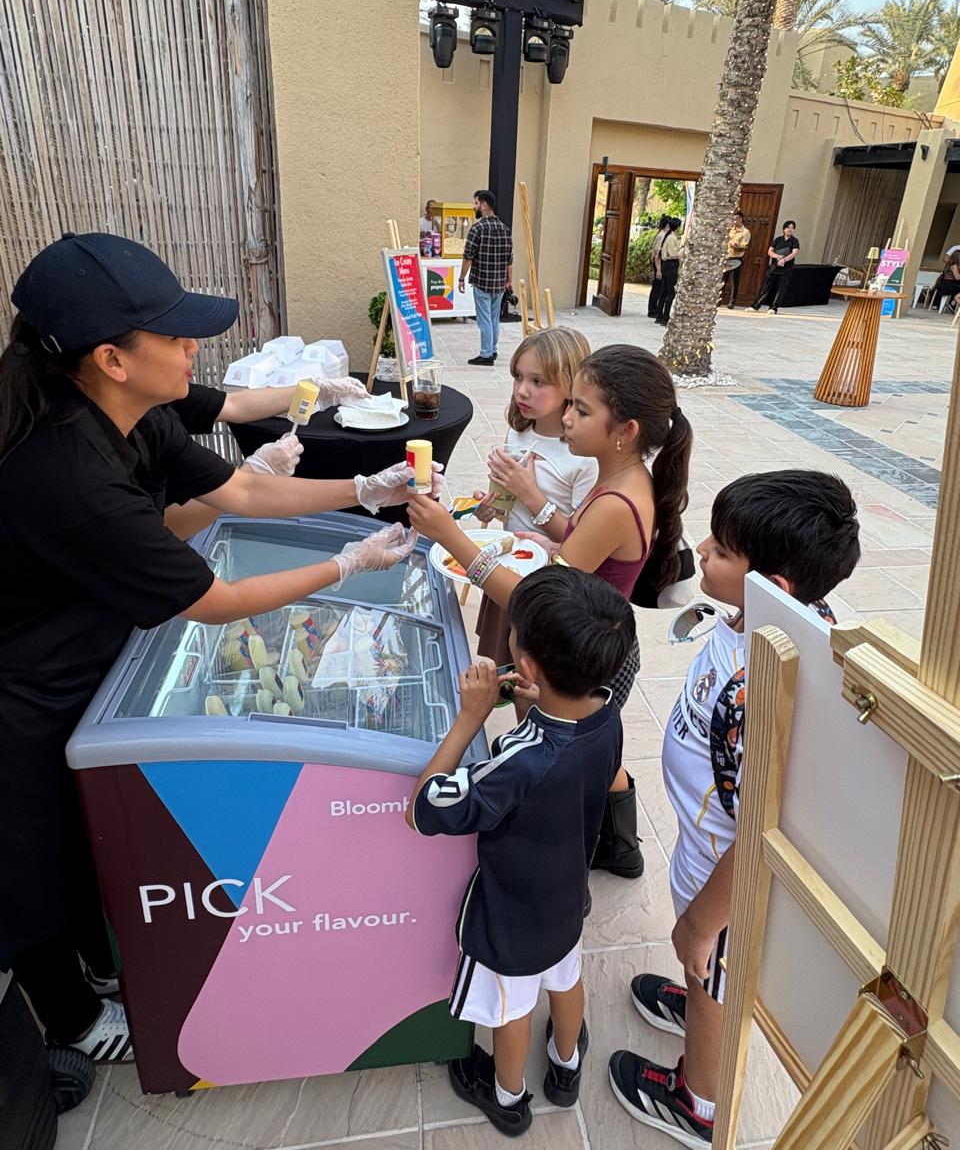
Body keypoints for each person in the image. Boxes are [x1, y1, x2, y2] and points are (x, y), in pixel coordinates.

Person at [0, 232, 436, 1065]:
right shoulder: (66, 469)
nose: (194, 347)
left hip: (87, 649)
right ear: (111, 358)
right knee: (34, 861)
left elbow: (236, 485)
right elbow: (214, 600)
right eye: (174, 335)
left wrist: (364, 489)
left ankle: (103, 964)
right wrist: (343, 562)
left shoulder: (134, 411)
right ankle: (72, 1020)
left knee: (83, 840)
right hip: (23, 688)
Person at [608, 470, 861, 1146]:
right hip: (704, 853)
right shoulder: (760, 624)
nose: (702, 552)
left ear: (772, 588)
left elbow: (762, 835)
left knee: (715, 972)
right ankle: (697, 988)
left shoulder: (769, 691)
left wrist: (699, 924)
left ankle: (698, 1103)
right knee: (706, 972)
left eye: (720, 550)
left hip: (730, 884)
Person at [408, 344, 693, 879]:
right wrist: (541, 523)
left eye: (582, 410)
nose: (566, 417)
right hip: (592, 637)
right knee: (595, 745)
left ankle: (574, 842)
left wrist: (450, 536)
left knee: (564, 750)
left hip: (584, 649)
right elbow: (582, 541)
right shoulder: (617, 480)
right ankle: (621, 847)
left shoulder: (617, 499)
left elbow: (532, 603)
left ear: (625, 430)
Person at [406, 568, 635, 1136]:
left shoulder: (523, 757)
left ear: (528, 665)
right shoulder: (606, 713)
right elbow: (569, 748)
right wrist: (535, 702)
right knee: (565, 976)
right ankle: (565, 1064)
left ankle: (507, 1097)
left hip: (511, 914)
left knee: (509, 1009)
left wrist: (470, 716)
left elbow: (425, 810)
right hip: (565, 896)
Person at [471, 327, 598, 681]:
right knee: (507, 663)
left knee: (537, 673)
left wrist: (531, 495)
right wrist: (491, 507)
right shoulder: (519, 432)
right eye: (518, 377)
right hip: (510, 568)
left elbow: (577, 541)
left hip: (548, 583)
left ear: (572, 385)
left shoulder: (583, 456)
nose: (523, 390)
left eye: (539, 381)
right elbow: (508, 510)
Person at [168, 377, 371, 479]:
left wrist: (315, 389)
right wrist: (252, 474)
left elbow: (233, 404)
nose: (192, 347)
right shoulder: (148, 429)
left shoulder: (170, 398)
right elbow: (168, 522)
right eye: (173, 339)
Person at [459, 189, 513, 366]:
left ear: (483, 205)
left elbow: (468, 256)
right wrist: (508, 280)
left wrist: (461, 278)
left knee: (484, 320)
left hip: (482, 281)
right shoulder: (505, 229)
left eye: (476, 203)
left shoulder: (477, 229)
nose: (474, 206)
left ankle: (486, 354)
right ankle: (493, 349)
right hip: (498, 283)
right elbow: (509, 259)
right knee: (493, 318)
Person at [751, 220, 799, 312]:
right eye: (788, 228)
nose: (790, 230)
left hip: (786, 269)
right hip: (774, 267)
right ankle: (755, 305)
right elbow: (770, 251)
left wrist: (784, 260)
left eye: (792, 228)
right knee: (766, 287)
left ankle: (773, 308)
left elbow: (794, 253)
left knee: (780, 289)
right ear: (784, 229)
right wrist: (777, 257)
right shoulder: (778, 239)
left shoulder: (794, 241)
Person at [654, 218, 682, 325]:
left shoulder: (668, 237)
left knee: (664, 291)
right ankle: (665, 317)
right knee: (670, 292)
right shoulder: (672, 238)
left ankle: (659, 315)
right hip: (671, 265)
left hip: (666, 265)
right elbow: (673, 254)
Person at [723, 211, 751, 308]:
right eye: (733, 219)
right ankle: (719, 300)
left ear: (741, 219)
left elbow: (745, 245)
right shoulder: (730, 229)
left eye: (736, 219)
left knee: (734, 281)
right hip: (726, 257)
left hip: (736, 258)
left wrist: (737, 245)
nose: (734, 221)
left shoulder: (745, 232)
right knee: (722, 279)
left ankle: (732, 302)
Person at [647, 214, 671, 319]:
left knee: (659, 288)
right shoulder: (662, 236)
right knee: (657, 288)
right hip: (659, 264)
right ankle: (652, 310)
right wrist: (659, 270)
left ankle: (655, 308)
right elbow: (657, 254)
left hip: (660, 264)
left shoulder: (663, 235)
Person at [932, 244, 960, 313]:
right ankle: (952, 304)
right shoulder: (954, 265)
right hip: (948, 287)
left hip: (944, 286)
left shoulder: (948, 265)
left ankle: (952, 304)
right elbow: (957, 278)